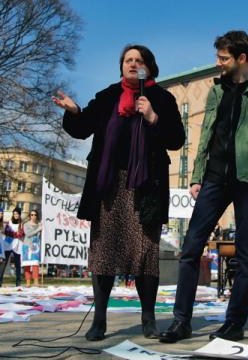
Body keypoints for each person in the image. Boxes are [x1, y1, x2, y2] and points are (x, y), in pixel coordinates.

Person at [159, 30, 248, 343]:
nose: (218, 63)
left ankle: (234, 323)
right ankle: (181, 321)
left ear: (241, 58)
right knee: (190, 249)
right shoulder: (216, 90)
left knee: (245, 254)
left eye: (223, 58)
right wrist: (197, 176)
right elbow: (206, 135)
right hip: (215, 178)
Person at [53, 44, 185, 341]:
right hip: (109, 185)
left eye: (139, 60)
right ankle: (99, 321)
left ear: (149, 67)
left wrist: (153, 117)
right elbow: (82, 128)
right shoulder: (107, 96)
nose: (132, 64)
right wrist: (74, 112)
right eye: (128, 60)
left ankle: (148, 320)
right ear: (122, 66)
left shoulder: (162, 98)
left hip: (145, 186)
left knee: (145, 254)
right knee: (104, 252)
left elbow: (176, 139)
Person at [2, 207, 24, 287]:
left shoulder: (21, 224)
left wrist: (15, 234)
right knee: (4, 263)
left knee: (17, 264)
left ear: (19, 214)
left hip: (17, 245)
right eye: (14, 214)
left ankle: (18, 282)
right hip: (8, 243)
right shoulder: (9, 222)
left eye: (17, 214)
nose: (15, 215)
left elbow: (21, 234)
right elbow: (7, 232)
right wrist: (15, 234)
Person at [21, 209, 42, 288]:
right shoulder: (26, 224)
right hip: (27, 246)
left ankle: (36, 281)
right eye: (32, 215)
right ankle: (28, 282)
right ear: (30, 216)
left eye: (35, 215)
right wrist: (38, 229)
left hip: (36, 246)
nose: (33, 216)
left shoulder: (39, 224)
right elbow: (28, 234)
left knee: (35, 264)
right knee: (27, 264)